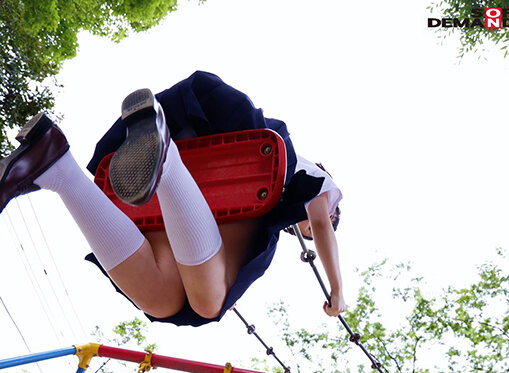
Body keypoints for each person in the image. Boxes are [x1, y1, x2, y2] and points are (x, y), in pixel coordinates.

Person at [0, 71, 346, 328]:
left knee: (164, 298)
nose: (306, 229)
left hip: (191, 178)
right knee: (209, 302)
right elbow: (320, 223)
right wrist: (337, 290)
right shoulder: (322, 185)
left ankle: (56, 167)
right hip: (238, 160)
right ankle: (166, 161)